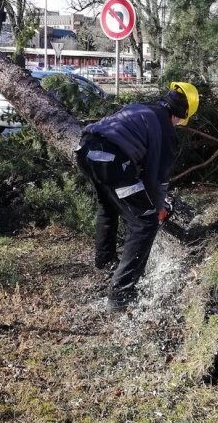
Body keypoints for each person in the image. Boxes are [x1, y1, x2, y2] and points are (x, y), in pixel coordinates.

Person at [75, 81, 200, 312]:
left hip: (85, 151)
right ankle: (121, 293)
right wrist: (157, 207)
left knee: (108, 206)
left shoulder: (142, 108)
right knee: (145, 222)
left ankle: (106, 263)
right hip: (111, 162)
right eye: (183, 120)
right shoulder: (166, 130)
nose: (180, 124)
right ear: (183, 114)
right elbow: (157, 180)